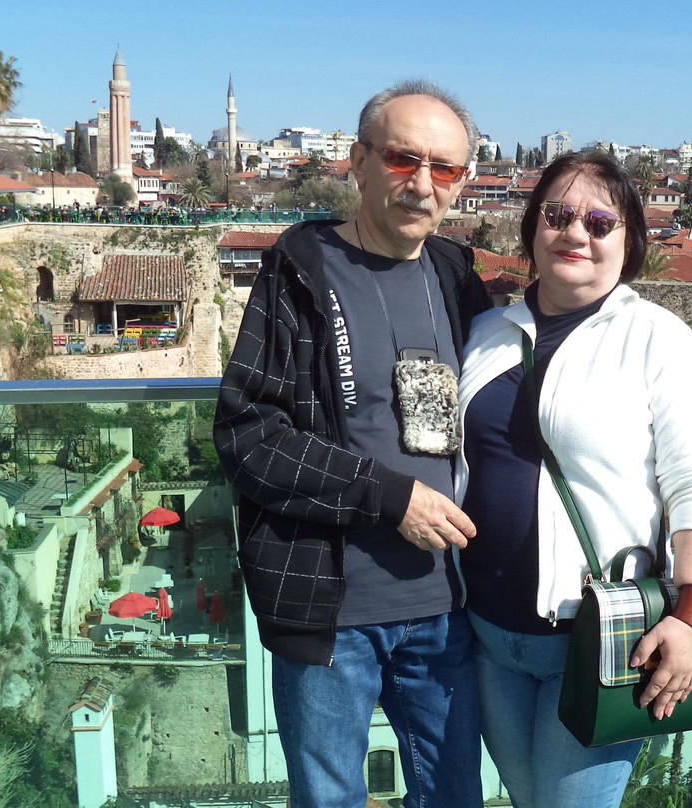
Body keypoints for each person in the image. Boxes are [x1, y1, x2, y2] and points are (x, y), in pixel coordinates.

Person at [213, 80, 492, 808]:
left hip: (447, 608)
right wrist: (388, 497)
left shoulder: (456, 276)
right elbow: (248, 435)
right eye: (403, 158)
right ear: (359, 163)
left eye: (445, 167)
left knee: (453, 796)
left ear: (462, 181)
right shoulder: (300, 270)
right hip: (330, 616)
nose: (422, 184)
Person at [455, 151, 692, 808]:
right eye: (557, 215)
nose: (575, 232)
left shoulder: (659, 341)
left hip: (600, 643)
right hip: (486, 635)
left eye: (600, 222)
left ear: (628, 242)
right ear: (533, 228)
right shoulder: (486, 332)